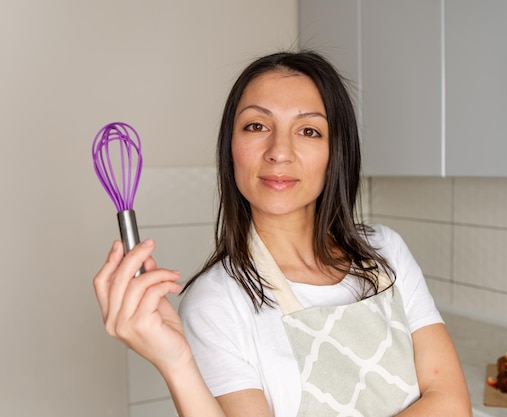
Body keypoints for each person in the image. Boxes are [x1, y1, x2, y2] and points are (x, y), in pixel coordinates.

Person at [93, 50, 473, 417]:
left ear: (335, 152)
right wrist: (175, 364)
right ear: (231, 148)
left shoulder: (385, 251)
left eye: (308, 130)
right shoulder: (216, 302)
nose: (279, 151)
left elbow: (452, 405)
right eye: (257, 126)